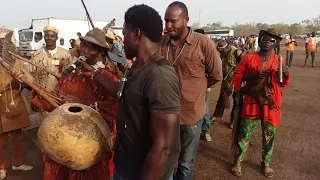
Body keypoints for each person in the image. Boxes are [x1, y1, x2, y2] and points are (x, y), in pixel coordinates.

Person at [78, 4, 181, 180]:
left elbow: (163, 147)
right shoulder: (137, 67)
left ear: (136, 34)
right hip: (125, 167)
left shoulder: (161, 76)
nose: (122, 41)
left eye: (124, 35)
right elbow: (124, 92)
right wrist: (95, 74)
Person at [14, 28, 119, 180]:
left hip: (88, 146)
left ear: (101, 52)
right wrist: (31, 84)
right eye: (84, 45)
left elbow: (115, 109)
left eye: (93, 48)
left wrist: (84, 104)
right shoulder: (69, 75)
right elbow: (55, 101)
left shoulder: (108, 78)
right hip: (62, 143)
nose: (87, 50)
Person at [161, 1, 222, 179]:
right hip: (164, 114)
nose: (168, 25)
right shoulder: (162, 43)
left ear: (186, 20)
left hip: (190, 115)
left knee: (185, 164)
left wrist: (196, 90)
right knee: (165, 161)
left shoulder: (203, 43)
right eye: (166, 21)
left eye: (173, 21)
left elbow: (216, 75)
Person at [231, 28, 290, 178]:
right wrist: (253, 76)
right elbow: (237, 77)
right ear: (259, 40)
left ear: (276, 43)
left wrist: (286, 74)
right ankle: (238, 162)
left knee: (269, 136)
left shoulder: (279, 60)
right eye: (264, 39)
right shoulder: (248, 58)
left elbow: (282, 84)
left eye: (271, 40)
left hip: (270, 104)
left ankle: (266, 164)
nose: (267, 43)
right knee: (244, 135)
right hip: (252, 102)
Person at [0, 32, 33, 180]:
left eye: (5, 42)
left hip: (17, 102)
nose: (3, 44)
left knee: (17, 136)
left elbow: (28, 82)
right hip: (1, 104)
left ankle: (17, 163)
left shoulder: (18, 61)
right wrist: (7, 87)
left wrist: (23, 83)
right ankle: (1, 168)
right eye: (0, 42)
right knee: (1, 140)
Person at [211, 40, 245, 129]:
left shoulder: (237, 52)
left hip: (237, 82)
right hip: (226, 82)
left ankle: (233, 121)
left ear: (227, 47)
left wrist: (236, 72)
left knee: (237, 102)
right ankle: (216, 117)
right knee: (221, 100)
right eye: (220, 51)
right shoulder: (221, 53)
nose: (222, 53)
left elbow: (245, 65)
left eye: (223, 51)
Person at [194, 28, 212, 142]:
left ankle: (206, 131)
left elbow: (213, 71)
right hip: (191, 86)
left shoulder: (207, 50)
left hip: (203, 85)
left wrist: (208, 84)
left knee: (204, 109)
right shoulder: (188, 48)